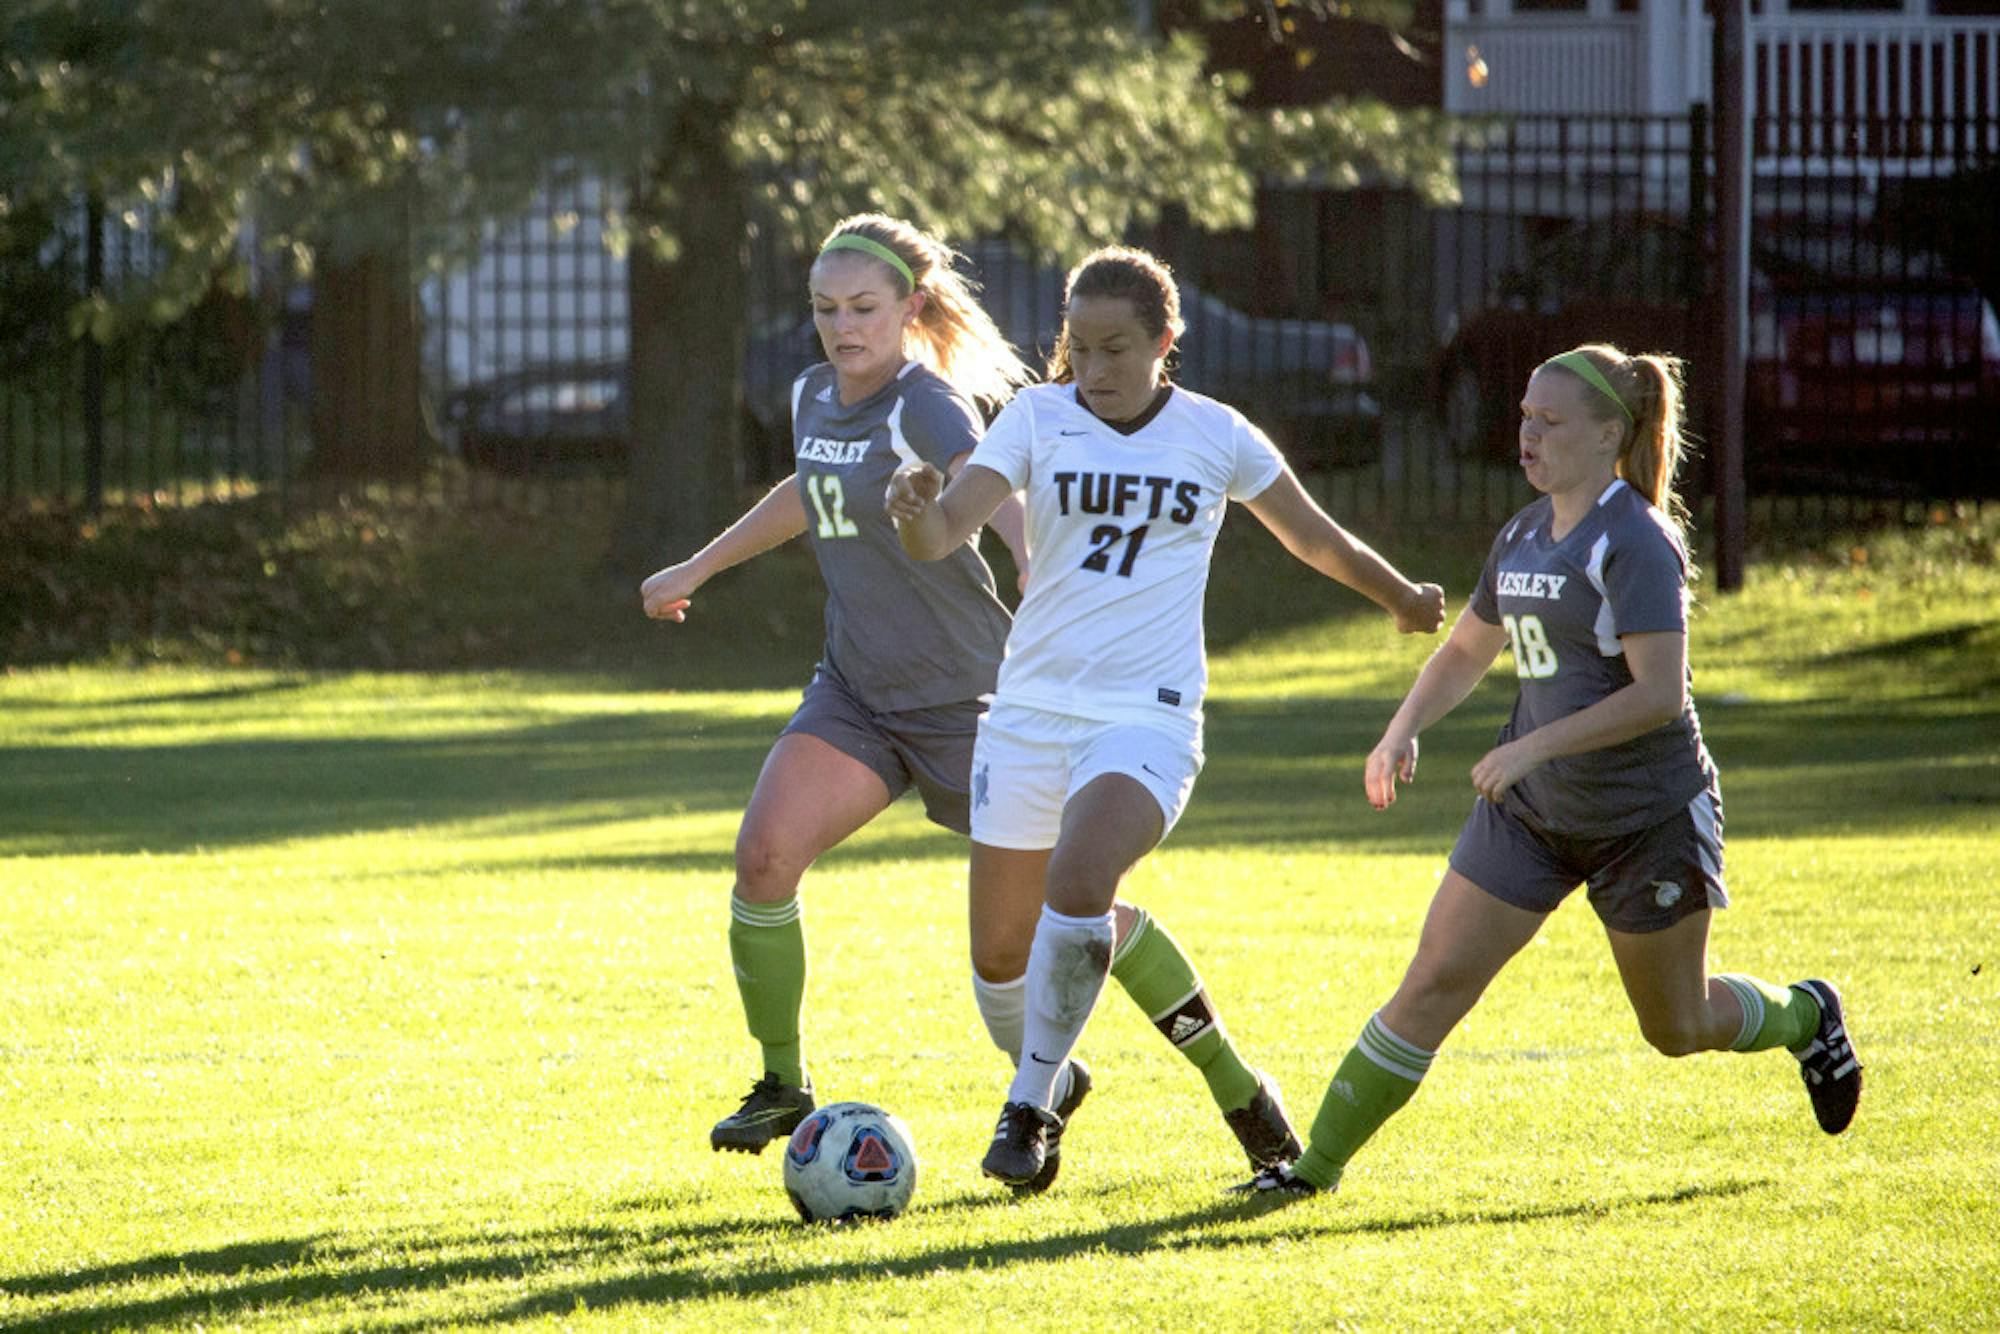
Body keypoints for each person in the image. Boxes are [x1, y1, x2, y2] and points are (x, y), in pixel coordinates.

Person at [642, 217, 1310, 1193]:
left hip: (975, 703)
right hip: (856, 694)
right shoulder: (811, 394)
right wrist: (699, 563)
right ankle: (782, 1082)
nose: (841, 326)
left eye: (862, 307)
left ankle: (1235, 1083)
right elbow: (809, 485)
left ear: (910, 308)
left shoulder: (927, 404)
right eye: (824, 309)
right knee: (763, 855)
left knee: (1081, 918)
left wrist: (1033, 554)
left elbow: (990, 485)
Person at [1235, 343, 1864, 1202]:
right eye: (1524, 417)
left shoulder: (1635, 541)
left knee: (1677, 1028)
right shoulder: (1525, 531)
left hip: (1644, 819)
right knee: (1433, 980)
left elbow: (1659, 697)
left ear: (1612, 432)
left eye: (1550, 421)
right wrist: (1401, 730)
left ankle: (1805, 1015)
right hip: (1532, 816)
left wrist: (1531, 744)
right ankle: (1310, 1172)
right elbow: (1466, 648)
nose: (1526, 435)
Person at [886, 244, 1446, 1188]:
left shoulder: (1215, 435)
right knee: (1002, 969)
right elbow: (944, 531)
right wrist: (913, 512)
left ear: (1165, 342)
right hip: (1027, 714)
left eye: (1116, 350)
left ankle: (1027, 1109)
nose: (1095, 370)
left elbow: (1314, 537)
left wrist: (1399, 597)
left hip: (1145, 717)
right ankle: (1235, 1086)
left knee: (1080, 879)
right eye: (1079, 348)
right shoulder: (1035, 419)